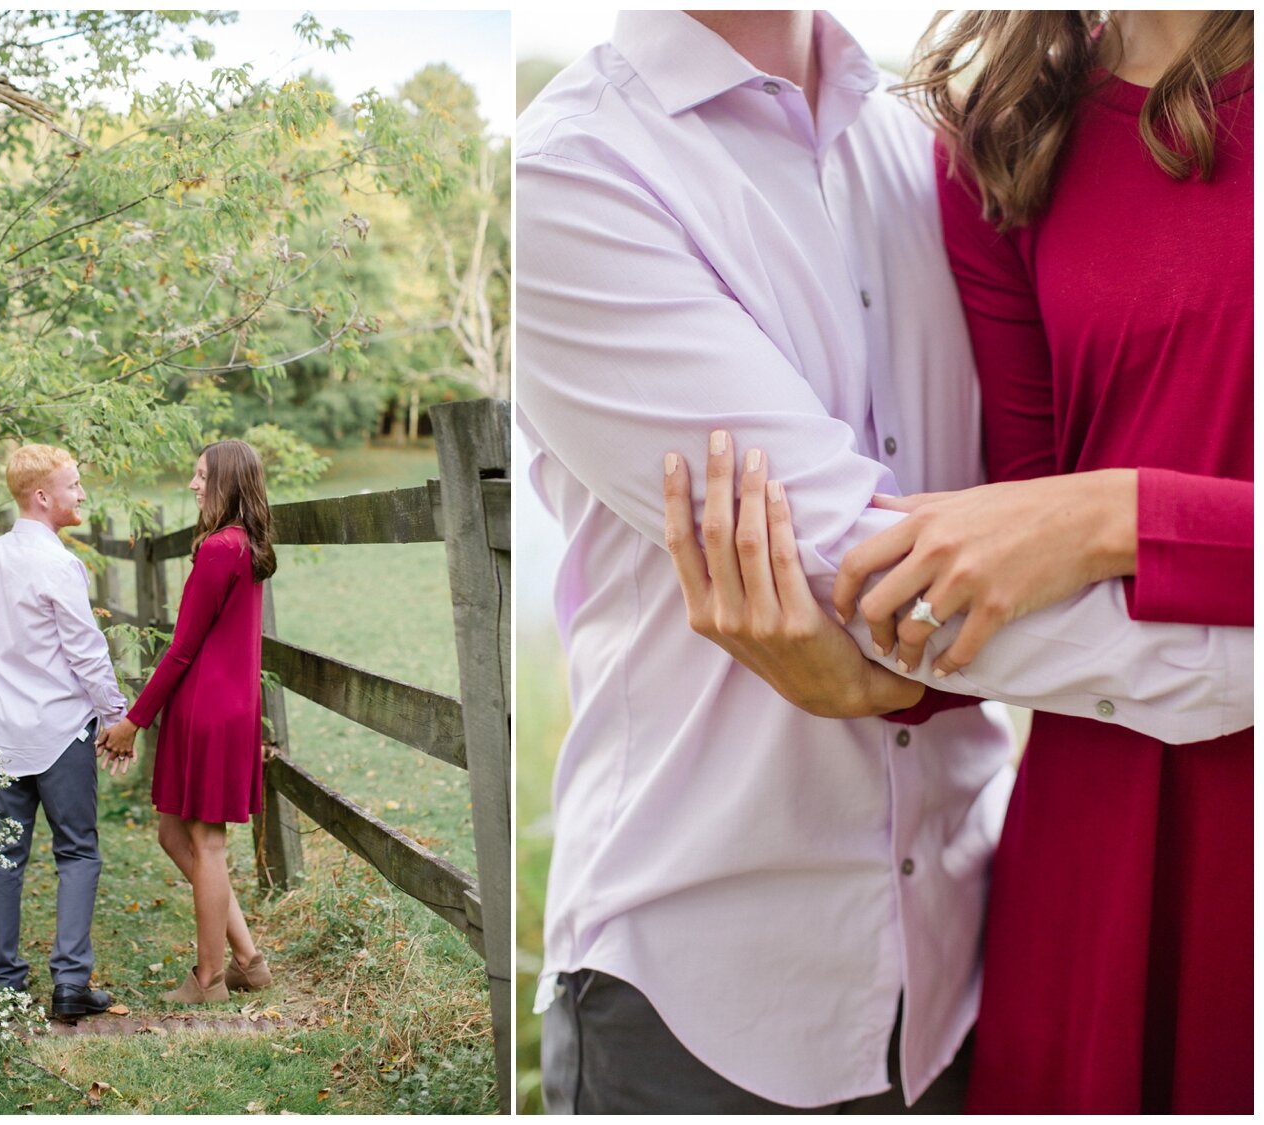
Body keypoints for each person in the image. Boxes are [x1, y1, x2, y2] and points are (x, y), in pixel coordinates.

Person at [517, 9, 1252, 1113]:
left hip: (967, 952)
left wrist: (1111, 520)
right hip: (713, 993)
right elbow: (862, 570)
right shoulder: (575, 175)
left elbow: (1011, 532)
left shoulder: (939, 147)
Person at [99, 440, 276, 1005]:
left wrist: (134, 720)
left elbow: (181, 649)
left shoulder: (222, 549)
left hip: (210, 709)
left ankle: (208, 981)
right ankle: (248, 960)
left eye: (201, 476)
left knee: (207, 843)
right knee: (174, 833)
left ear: (225, 481)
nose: (194, 485)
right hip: (217, 704)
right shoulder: (240, 544)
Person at [0, 444, 123, 1020]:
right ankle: (70, 984)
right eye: (74, 484)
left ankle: (5, 981)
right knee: (77, 852)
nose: (81, 494)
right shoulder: (58, 564)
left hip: (3, 730)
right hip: (60, 731)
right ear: (42, 496)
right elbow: (86, 651)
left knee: (4, 857)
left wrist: (2, 706)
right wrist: (113, 715)